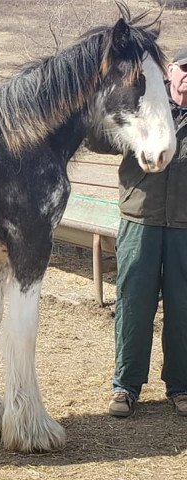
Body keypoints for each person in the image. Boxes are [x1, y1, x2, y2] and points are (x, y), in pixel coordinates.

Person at [105, 47, 187, 417]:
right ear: (170, 72)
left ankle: (181, 386)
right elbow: (104, 137)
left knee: (183, 307)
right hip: (139, 220)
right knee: (133, 303)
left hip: (185, 227)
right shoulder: (143, 108)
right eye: (183, 69)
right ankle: (126, 386)